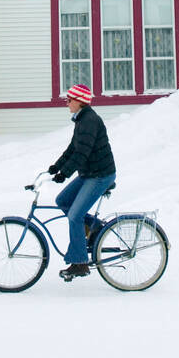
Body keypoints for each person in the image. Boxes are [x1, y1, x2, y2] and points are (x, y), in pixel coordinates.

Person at [48, 84, 116, 281]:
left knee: (75, 216)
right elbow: (72, 148)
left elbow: (82, 154)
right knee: (63, 201)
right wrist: (56, 167)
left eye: (69, 100)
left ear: (79, 101)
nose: (67, 103)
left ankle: (80, 263)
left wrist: (65, 174)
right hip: (89, 173)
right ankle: (94, 227)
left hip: (101, 175)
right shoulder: (82, 120)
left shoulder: (90, 121)